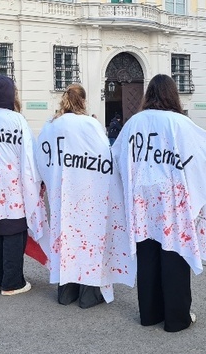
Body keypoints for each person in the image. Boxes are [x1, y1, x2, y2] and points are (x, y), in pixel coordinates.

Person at [113, 74, 206, 332]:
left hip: (142, 196)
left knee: (147, 251)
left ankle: (150, 313)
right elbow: (204, 153)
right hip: (171, 196)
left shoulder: (134, 122)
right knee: (174, 251)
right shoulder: (179, 123)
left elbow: (117, 155)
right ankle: (176, 318)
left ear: (148, 95)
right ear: (172, 95)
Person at [36, 84, 135, 308]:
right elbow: (104, 157)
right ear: (83, 101)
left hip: (62, 195)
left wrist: (52, 181)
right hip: (89, 193)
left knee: (66, 237)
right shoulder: (90, 124)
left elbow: (41, 157)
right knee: (90, 239)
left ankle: (66, 290)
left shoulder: (51, 126)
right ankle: (89, 292)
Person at [0, 75, 48, 296]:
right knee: (14, 232)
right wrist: (37, 183)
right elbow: (31, 155)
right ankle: (12, 282)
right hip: (13, 187)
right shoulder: (17, 121)